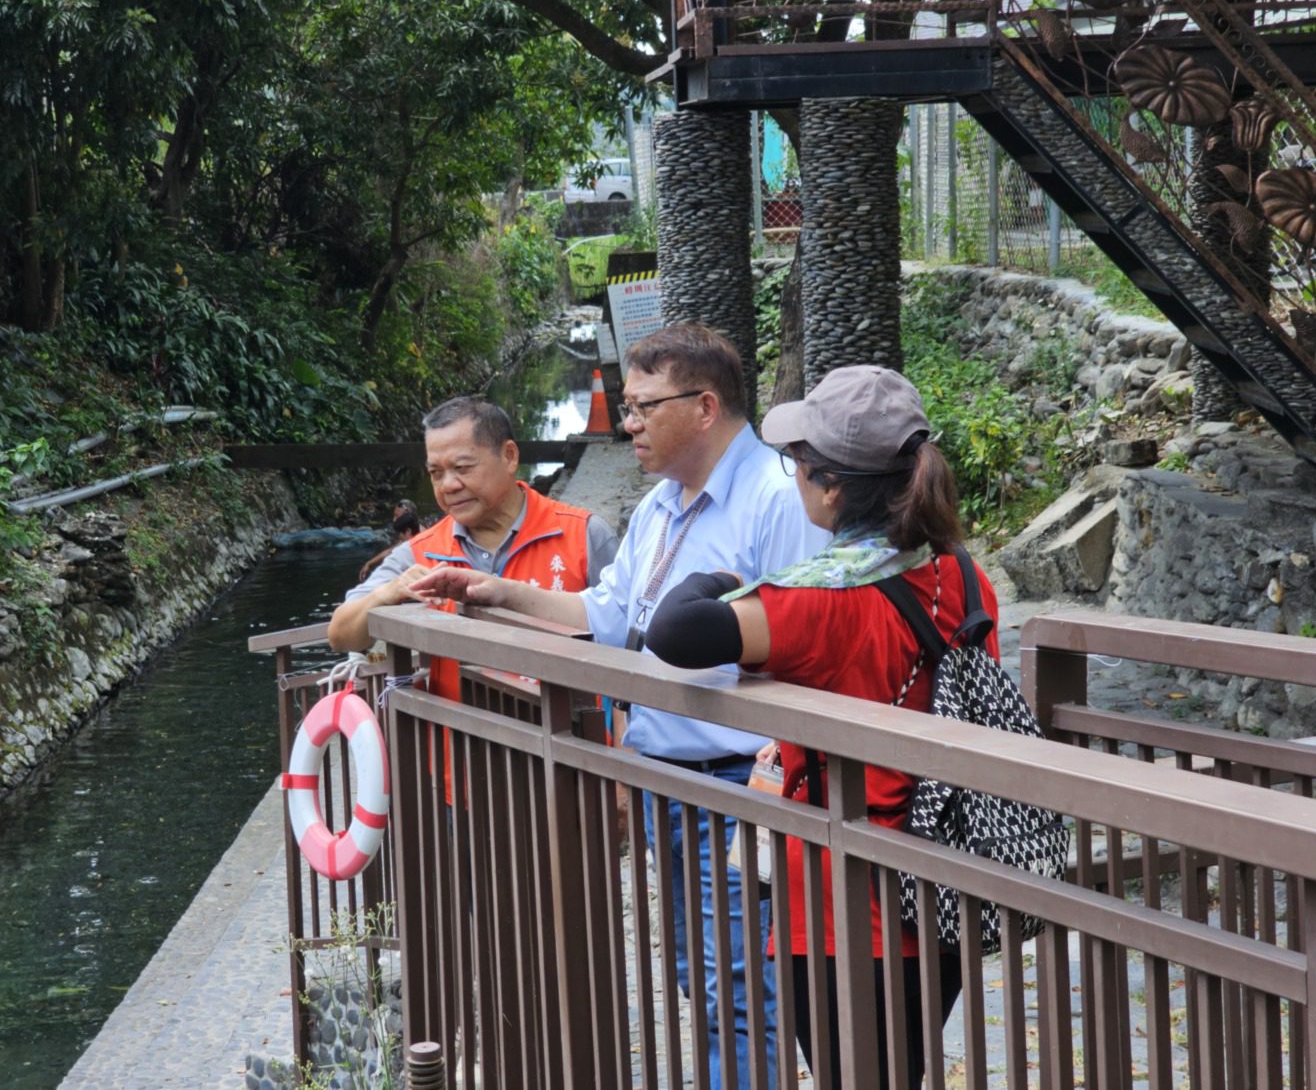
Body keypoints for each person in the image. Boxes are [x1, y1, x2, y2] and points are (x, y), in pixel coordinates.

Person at [412, 323, 830, 1087]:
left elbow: (808, 644)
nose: (626, 421)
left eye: (642, 406)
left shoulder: (775, 500)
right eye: (626, 405)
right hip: (663, 780)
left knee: (736, 990)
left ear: (704, 408)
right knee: (701, 983)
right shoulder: (662, 505)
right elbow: (607, 613)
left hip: (738, 782)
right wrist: (495, 591)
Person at [642, 365, 998, 1090]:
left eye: (797, 462)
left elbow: (673, 629)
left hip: (841, 903)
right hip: (943, 878)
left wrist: (717, 577)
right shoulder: (961, 573)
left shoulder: (821, 602)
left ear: (830, 486)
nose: (793, 475)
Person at [327, 397, 617, 694]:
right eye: (435, 473)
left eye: (462, 467)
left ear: (509, 456)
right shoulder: (419, 554)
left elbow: (628, 639)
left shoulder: (583, 535)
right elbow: (341, 635)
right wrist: (388, 592)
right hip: (458, 738)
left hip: (569, 737)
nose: (448, 485)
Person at [358, 499, 423, 583]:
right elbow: (391, 550)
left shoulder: (419, 534)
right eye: (394, 516)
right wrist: (369, 563)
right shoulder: (409, 532)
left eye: (397, 516)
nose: (394, 519)